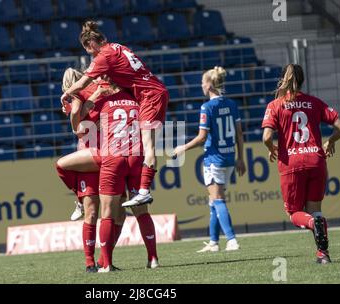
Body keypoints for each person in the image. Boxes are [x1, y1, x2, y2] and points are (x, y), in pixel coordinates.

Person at [57, 68, 159, 272]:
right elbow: (77, 119)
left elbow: (77, 121)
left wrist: (83, 104)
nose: (97, 79)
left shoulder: (101, 94)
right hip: (108, 155)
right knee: (103, 212)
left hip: (109, 157)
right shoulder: (93, 94)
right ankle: (93, 262)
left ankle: (104, 261)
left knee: (109, 214)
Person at [60, 21, 169, 208]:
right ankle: (142, 190)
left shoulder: (104, 56)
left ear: (90, 44)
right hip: (152, 93)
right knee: (147, 144)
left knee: (149, 146)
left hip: (149, 96)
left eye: (89, 52)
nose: (92, 56)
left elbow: (83, 82)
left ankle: (144, 191)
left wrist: (66, 93)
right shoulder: (119, 47)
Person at [262, 64, 340, 264]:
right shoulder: (314, 102)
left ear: (283, 79)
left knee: (294, 214)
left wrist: (271, 148)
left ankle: (312, 223)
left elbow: (266, 137)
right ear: (302, 81)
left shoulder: (276, 105)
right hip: (316, 160)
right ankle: (323, 254)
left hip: (291, 163)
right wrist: (330, 141)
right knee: (315, 210)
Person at [173, 67, 246, 252]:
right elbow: (239, 134)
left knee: (218, 199)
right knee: (213, 200)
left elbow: (202, 138)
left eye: (203, 82)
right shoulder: (232, 104)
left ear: (210, 85)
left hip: (214, 158)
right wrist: (241, 158)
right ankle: (213, 242)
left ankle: (231, 240)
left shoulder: (207, 107)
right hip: (229, 157)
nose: (201, 85)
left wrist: (182, 148)